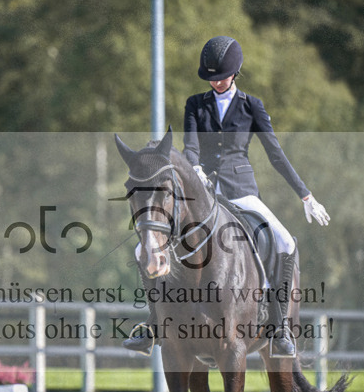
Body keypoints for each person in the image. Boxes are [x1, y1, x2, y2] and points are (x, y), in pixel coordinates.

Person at [123, 35, 330, 356]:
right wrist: (195, 168)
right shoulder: (195, 104)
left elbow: (275, 154)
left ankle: (279, 328)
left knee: (286, 242)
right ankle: (154, 323)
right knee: (142, 250)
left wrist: (305, 194)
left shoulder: (252, 107)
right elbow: (190, 145)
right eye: (211, 78)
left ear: (235, 73)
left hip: (242, 191)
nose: (216, 82)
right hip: (202, 191)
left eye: (221, 77)